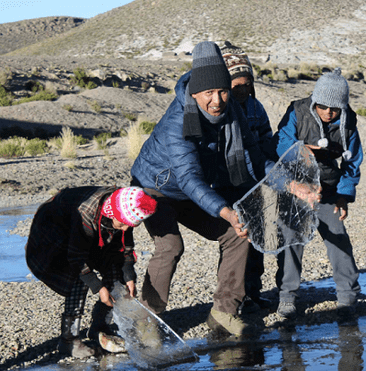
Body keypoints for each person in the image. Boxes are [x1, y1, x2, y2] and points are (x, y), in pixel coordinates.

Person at [130, 41, 274, 336]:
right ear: (195, 92)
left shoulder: (233, 111)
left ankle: (223, 313)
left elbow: (254, 159)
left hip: (189, 189)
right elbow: (189, 179)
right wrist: (225, 210)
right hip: (154, 188)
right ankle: (146, 319)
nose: (217, 100)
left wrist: (288, 181)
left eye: (222, 90)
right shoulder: (177, 121)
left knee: (237, 234)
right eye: (208, 92)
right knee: (170, 246)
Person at [25, 186, 157, 358]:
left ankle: (100, 327)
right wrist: (98, 287)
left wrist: (128, 275)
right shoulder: (86, 212)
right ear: (112, 214)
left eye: (131, 225)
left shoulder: (127, 207)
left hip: (90, 232)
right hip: (56, 234)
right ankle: (69, 340)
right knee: (78, 280)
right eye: (123, 224)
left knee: (115, 273)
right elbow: (77, 259)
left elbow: (125, 245)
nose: (125, 229)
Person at [273, 68, 363, 318]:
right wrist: (301, 150)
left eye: (335, 108)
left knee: (338, 237)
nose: (328, 113)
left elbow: (352, 162)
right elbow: (280, 144)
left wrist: (344, 195)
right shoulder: (297, 111)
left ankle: (348, 295)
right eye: (323, 106)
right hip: (296, 189)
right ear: (315, 101)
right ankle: (287, 297)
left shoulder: (348, 122)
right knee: (291, 239)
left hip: (329, 190)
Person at [217, 40, 273, 312]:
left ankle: (252, 292)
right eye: (235, 85)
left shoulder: (256, 108)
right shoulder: (219, 109)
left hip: (255, 183)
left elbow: (266, 141)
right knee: (235, 242)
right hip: (227, 184)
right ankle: (230, 298)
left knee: (258, 240)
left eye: (246, 83)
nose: (242, 89)